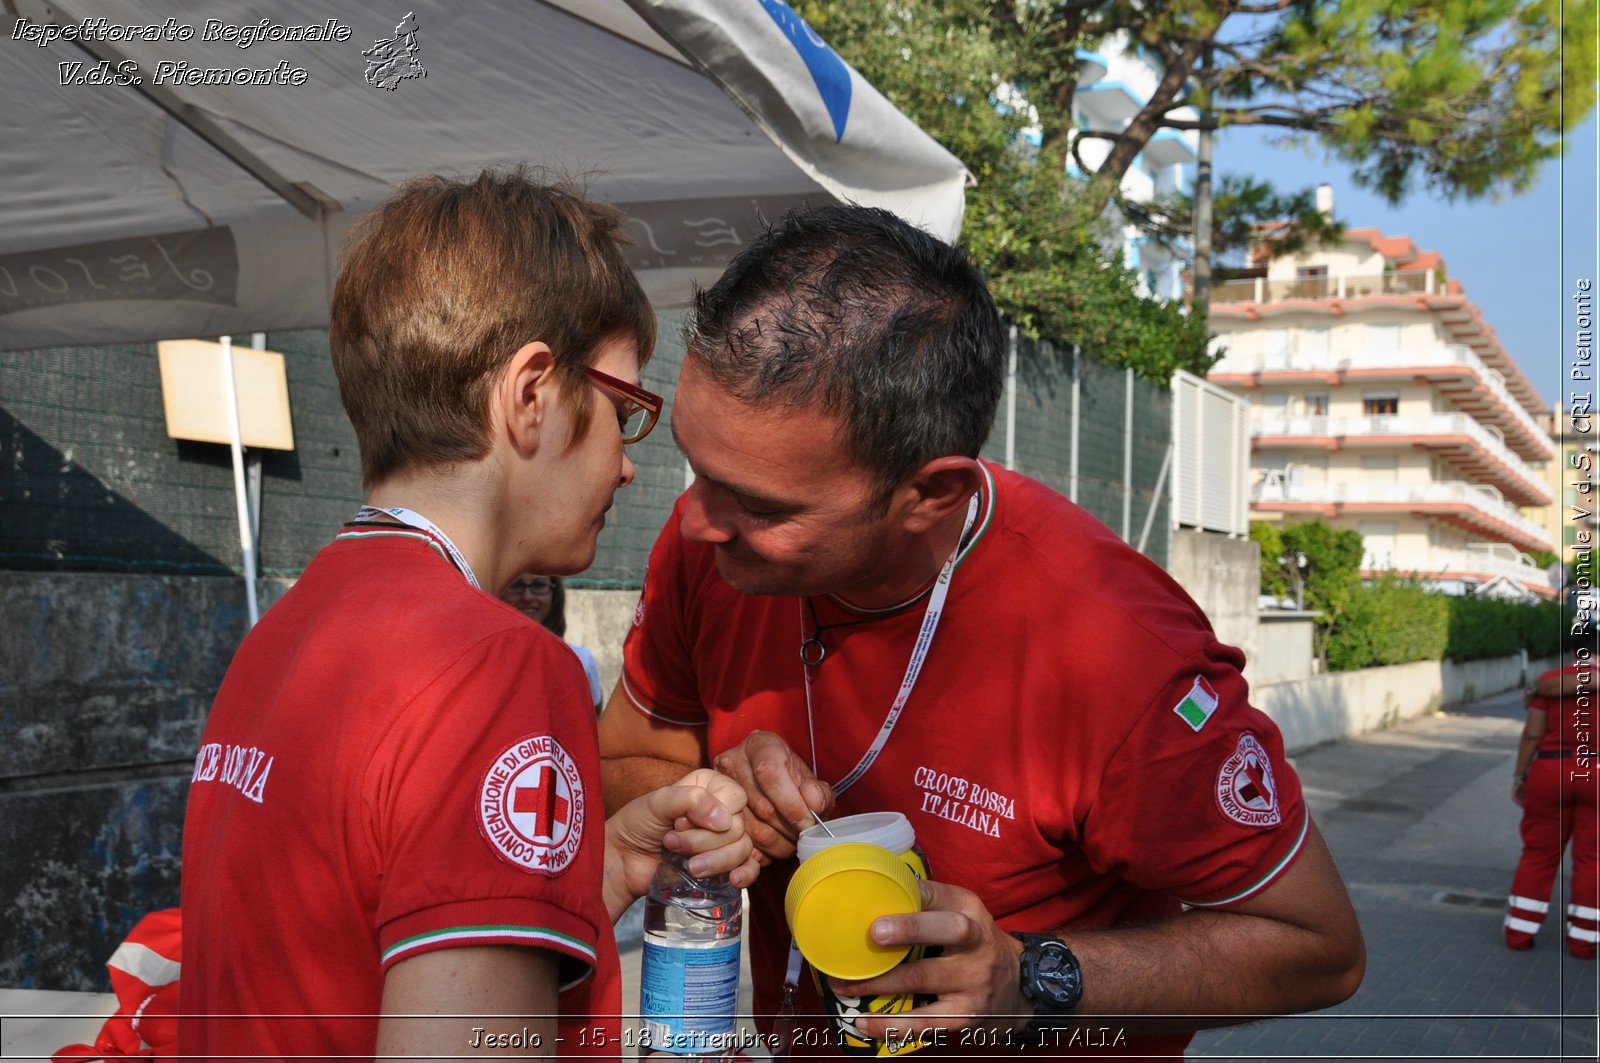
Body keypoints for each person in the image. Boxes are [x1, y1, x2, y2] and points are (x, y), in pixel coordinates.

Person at [599, 205, 1365, 1058]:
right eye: (698, 469)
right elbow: (621, 765)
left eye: (764, 505)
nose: (699, 521)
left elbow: (1319, 948)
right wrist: (714, 796)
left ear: (931, 493)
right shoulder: (710, 546)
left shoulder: (1119, 653)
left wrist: (1030, 975)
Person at [179, 170, 758, 1059]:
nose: (628, 464)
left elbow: (350, 940)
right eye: (624, 409)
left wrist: (591, 876)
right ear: (532, 394)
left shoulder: (289, 632)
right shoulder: (499, 666)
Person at [1505, 635, 1598, 956]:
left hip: (1550, 771)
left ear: (1572, 651)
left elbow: (1532, 732)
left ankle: (1519, 933)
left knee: (1538, 855)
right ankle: (1584, 942)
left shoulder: (1549, 682)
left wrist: (1520, 775)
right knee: (1593, 859)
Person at [502, 574, 605, 710]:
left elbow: (594, 720)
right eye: (517, 586)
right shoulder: (486, 661)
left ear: (554, 593)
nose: (527, 596)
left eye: (538, 585)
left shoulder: (579, 661)